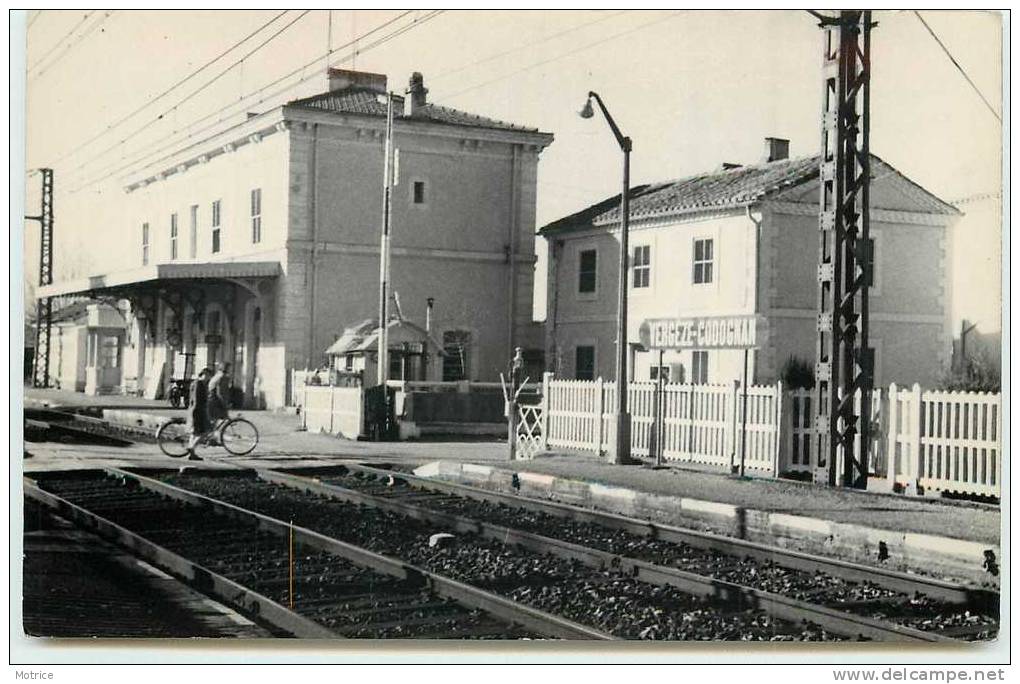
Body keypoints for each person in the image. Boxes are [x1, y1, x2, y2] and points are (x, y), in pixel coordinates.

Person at [185, 367, 213, 460]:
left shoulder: (196, 383)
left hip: (194, 410)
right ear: (203, 374)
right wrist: (201, 412)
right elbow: (197, 399)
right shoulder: (199, 384)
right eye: (207, 375)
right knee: (205, 432)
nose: (208, 378)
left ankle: (191, 454)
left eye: (209, 376)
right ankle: (191, 447)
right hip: (198, 411)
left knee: (195, 432)